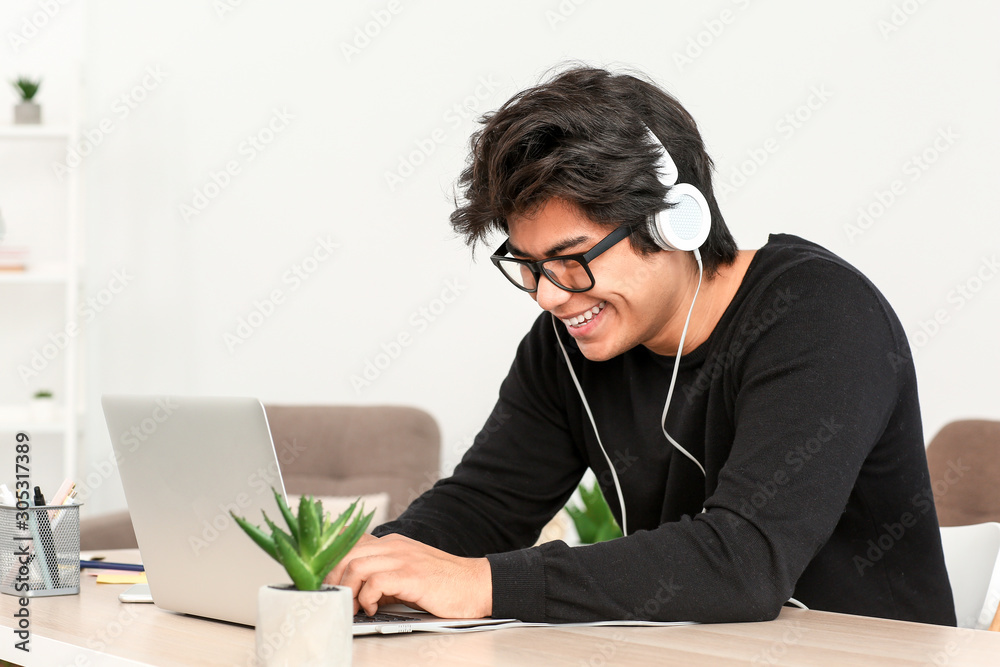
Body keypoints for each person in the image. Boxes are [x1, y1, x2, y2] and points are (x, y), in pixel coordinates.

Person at [329, 66, 956, 626]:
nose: (549, 296)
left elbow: (744, 561)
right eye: (528, 264)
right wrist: (373, 567)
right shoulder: (568, 343)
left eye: (572, 259)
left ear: (673, 221)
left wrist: (484, 583)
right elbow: (485, 505)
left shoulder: (821, 316)